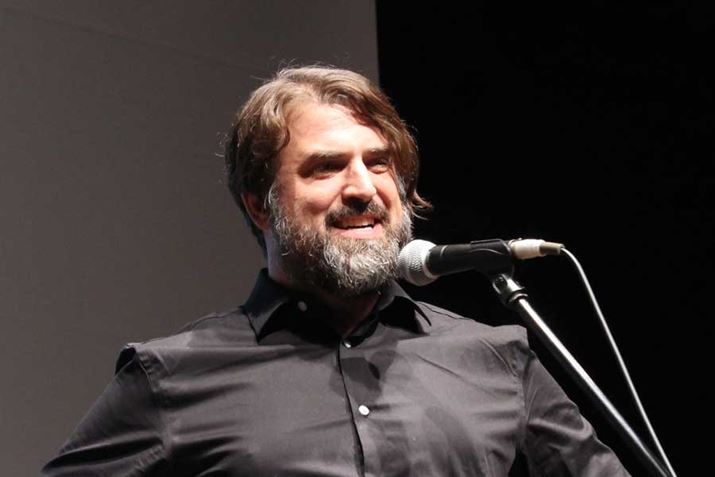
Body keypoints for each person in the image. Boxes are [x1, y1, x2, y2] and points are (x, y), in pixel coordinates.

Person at [43, 66, 630, 476]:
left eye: (379, 163)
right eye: (326, 167)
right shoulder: (171, 377)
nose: (362, 188)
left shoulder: (497, 358)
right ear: (260, 205)